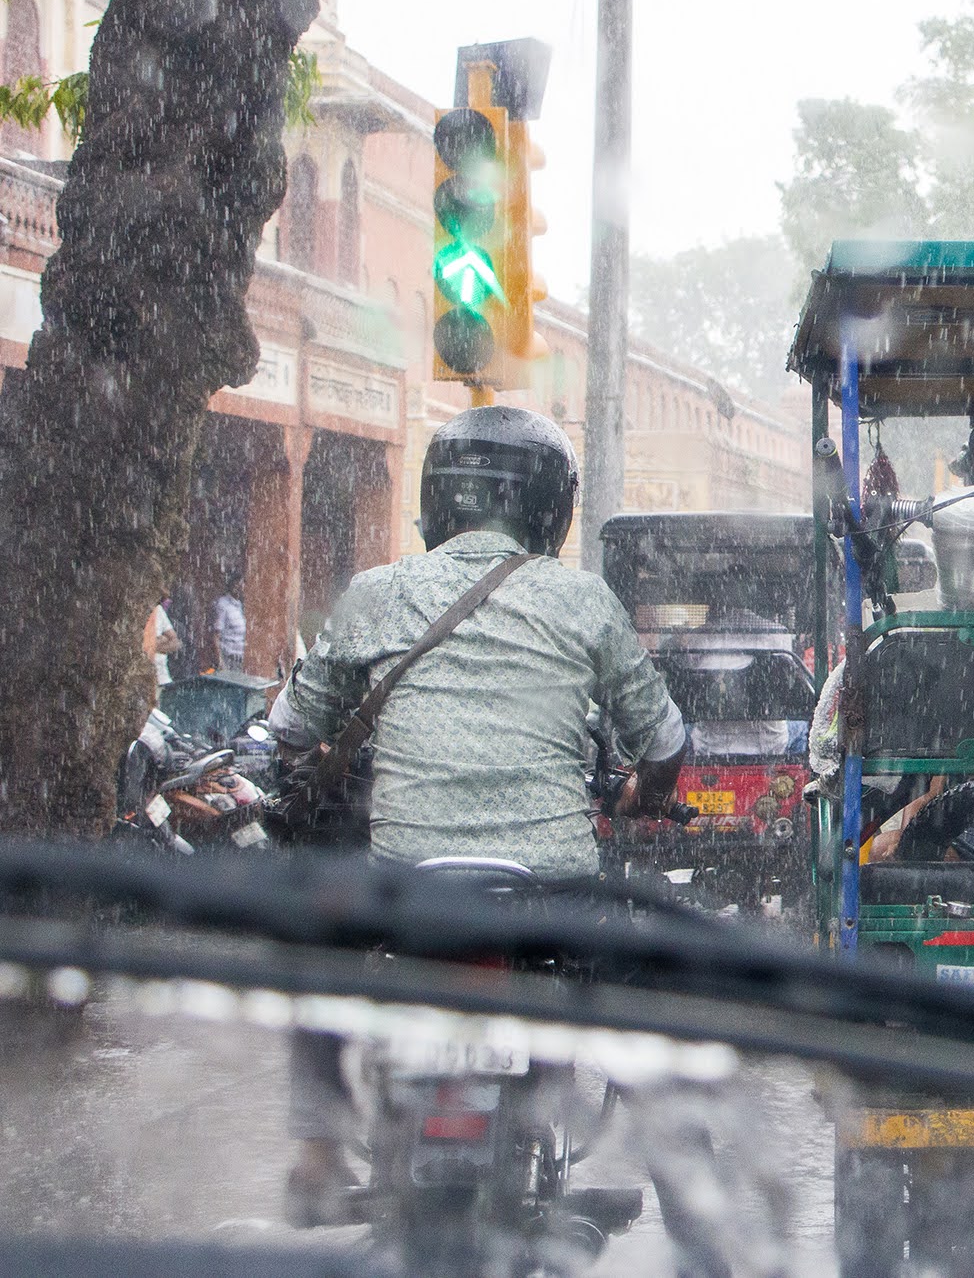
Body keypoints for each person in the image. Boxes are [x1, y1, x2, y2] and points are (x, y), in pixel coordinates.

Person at [275, 405, 688, 1222]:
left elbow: (293, 728)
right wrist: (644, 796)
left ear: (436, 499)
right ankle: (689, 1200)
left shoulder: (376, 593)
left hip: (408, 893)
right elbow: (666, 741)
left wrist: (324, 767)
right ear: (553, 509)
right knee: (639, 997)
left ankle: (319, 1149)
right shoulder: (584, 601)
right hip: (550, 896)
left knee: (313, 954)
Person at [210, 573, 248, 672]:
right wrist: (220, 662)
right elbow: (216, 635)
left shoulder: (240, 605)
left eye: (242, 584)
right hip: (228, 657)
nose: (240, 587)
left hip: (240, 658)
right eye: (237, 584)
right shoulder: (223, 605)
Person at [145, 601, 180, 689]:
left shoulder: (158, 610)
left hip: (164, 681)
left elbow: (176, 643)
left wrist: (152, 645)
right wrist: (162, 640)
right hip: (144, 682)